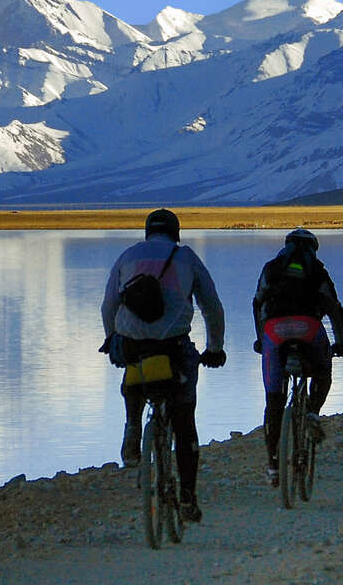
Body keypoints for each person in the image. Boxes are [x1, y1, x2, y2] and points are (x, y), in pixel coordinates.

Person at [100, 208, 226, 523]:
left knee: (134, 366)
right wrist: (215, 349)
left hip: (132, 345)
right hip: (174, 347)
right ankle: (187, 499)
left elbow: (108, 305)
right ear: (175, 232)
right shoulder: (186, 258)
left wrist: (112, 338)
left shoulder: (128, 256)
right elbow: (211, 306)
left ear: (147, 231)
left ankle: (132, 423)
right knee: (184, 424)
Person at [252, 228, 343, 488]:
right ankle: (312, 413)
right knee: (322, 372)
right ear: (313, 248)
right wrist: (342, 343)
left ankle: (273, 464)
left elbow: (258, 303)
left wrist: (261, 338)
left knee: (274, 399)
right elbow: (333, 308)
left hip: (274, 331)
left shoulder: (271, 268)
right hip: (309, 328)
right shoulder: (317, 269)